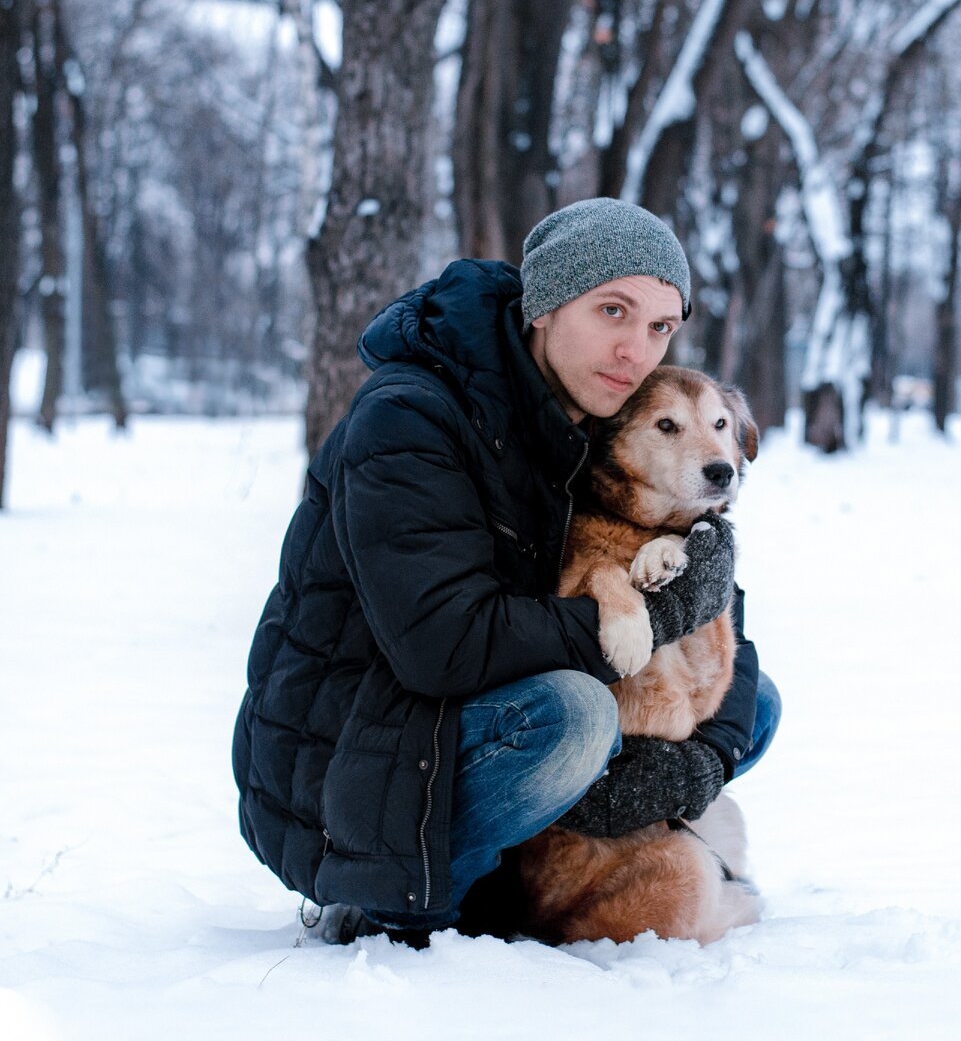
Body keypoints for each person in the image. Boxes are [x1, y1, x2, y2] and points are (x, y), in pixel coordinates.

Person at [232, 198, 781, 946]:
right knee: (574, 717)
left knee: (755, 700)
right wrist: (653, 617)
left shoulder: (596, 413)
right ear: (546, 306)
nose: (635, 351)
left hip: (465, 719)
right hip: (358, 761)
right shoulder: (411, 420)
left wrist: (701, 764)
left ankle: (559, 862)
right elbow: (445, 644)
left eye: (659, 327)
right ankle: (403, 900)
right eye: (612, 311)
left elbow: (720, 627)